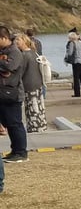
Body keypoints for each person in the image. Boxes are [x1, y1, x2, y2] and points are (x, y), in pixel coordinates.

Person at [0, 26, 29, 162]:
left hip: (13, 93)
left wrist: (3, 64)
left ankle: (21, 152)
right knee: (8, 123)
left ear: (4, 38)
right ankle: (15, 150)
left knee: (15, 123)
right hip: (3, 93)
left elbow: (9, 67)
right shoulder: (3, 51)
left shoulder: (15, 52)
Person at [14, 33, 47, 132]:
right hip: (38, 84)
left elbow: (20, 72)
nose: (16, 42)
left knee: (31, 108)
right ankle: (41, 125)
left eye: (18, 40)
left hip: (29, 85)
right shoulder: (34, 53)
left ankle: (33, 127)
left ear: (24, 41)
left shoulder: (24, 55)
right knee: (39, 106)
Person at [65, 29, 81, 97]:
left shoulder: (72, 43)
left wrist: (67, 57)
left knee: (76, 78)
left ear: (70, 38)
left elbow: (70, 53)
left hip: (77, 62)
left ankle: (77, 93)